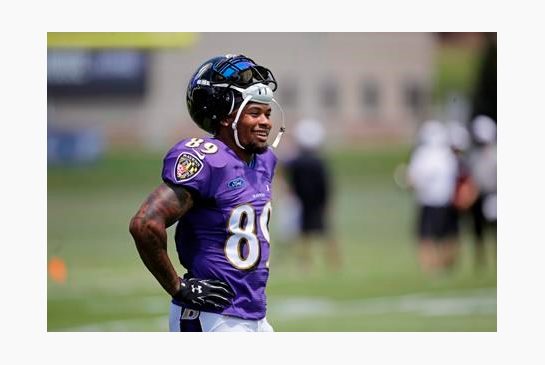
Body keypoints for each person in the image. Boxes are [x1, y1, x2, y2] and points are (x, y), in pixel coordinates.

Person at [129, 54, 286, 332]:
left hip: (254, 315)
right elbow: (145, 224)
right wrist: (177, 286)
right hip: (213, 317)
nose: (265, 122)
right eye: (254, 113)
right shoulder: (208, 160)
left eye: (267, 113)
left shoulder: (264, 161)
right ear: (227, 118)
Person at [283, 118, 341, 271]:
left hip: (303, 202)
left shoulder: (296, 162)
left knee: (305, 235)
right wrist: (327, 203)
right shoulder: (319, 162)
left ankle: (305, 264)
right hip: (317, 202)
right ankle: (333, 263)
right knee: (325, 232)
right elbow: (326, 185)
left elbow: (291, 182)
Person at [406, 120, 459, 273]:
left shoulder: (422, 155)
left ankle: (430, 268)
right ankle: (444, 266)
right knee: (446, 236)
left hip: (428, 202)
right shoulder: (447, 155)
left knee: (425, 237)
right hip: (446, 202)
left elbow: (415, 179)